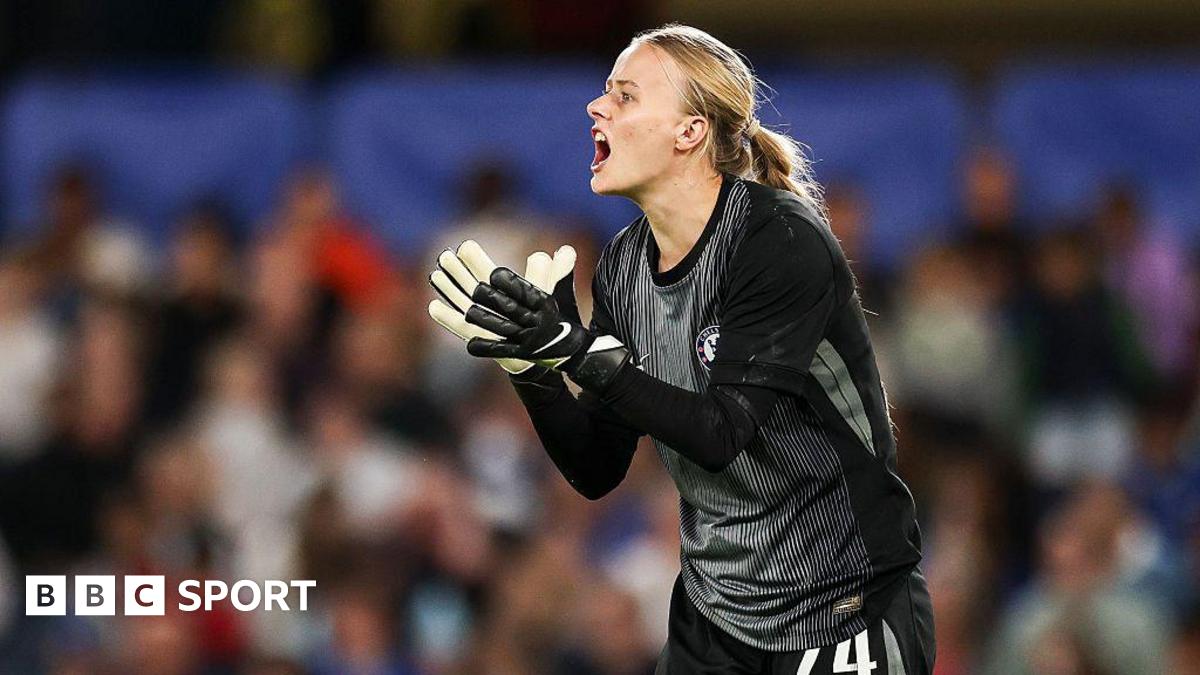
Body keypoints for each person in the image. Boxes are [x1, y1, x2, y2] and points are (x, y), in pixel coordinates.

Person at [428, 24, 934, 674]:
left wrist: (574, 348)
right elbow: (596, 467)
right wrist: (536, 369)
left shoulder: (778, 239)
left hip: (843, 605)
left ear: (689, 131)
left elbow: (723, 434)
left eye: (626, 95)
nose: (597, 107)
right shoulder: (623, 267)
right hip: (718, 617)